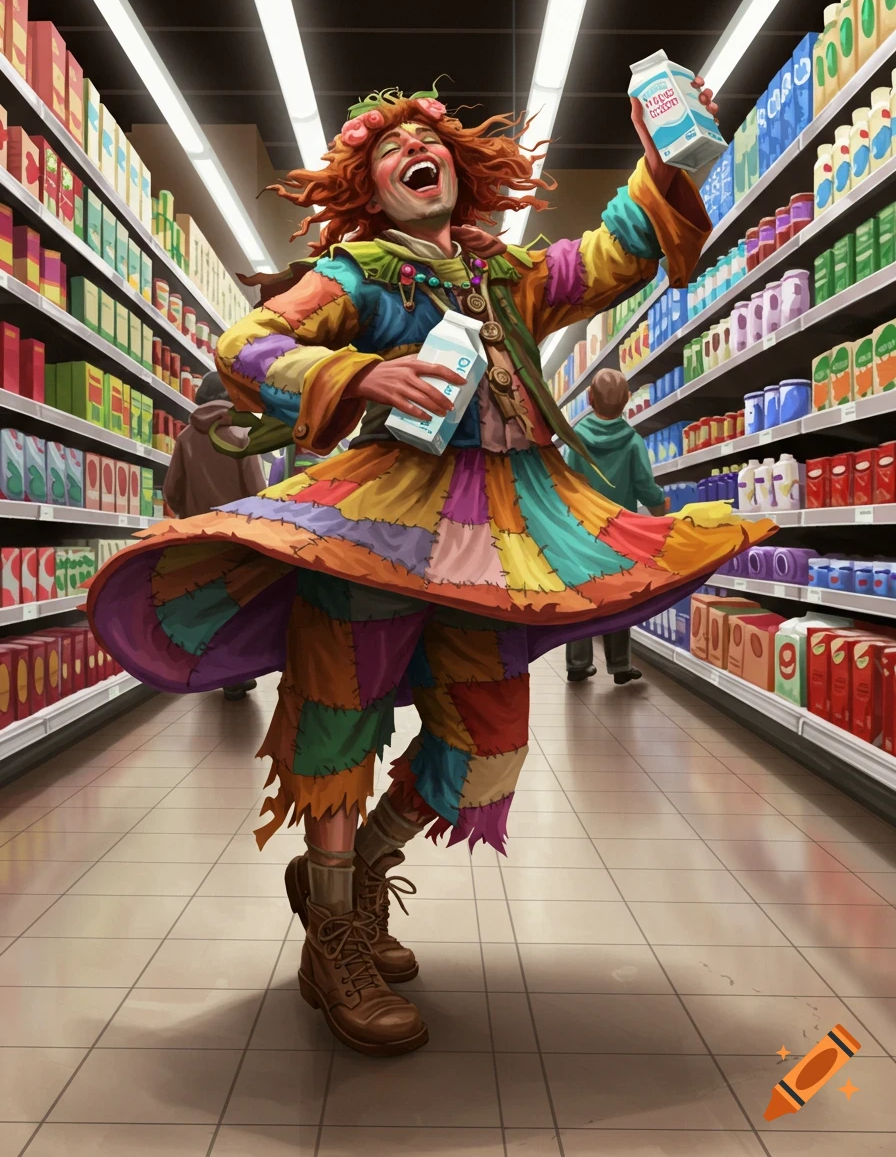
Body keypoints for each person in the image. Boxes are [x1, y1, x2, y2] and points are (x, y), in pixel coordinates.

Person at [87, 80, 774, 1057]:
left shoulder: (509, 273)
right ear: (371, 187)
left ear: (457, 169)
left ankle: (359, 873)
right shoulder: (358, 273)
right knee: (338, 719)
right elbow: (246, 346)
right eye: (389, 146)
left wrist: (659, 164)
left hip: (494, 532)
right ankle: (334, 940)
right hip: (377, 520)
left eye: (430, 140)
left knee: (491, 738)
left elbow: (610, 256)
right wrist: (355, 371)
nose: (417, 148)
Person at [162, 370, 265, 701]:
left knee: (207, 603)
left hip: (199, 537)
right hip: (238, 537)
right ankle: (237, 672)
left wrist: (188, 514)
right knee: (240, 601)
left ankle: (214, 670)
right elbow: (255, 491)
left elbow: (171, 491)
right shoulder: (241, 433)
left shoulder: (185, 438)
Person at [564, 367, 670, 685]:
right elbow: (645, 486)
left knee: (582, 595)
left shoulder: (576, 439)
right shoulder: (632, 441)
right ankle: (620, 665)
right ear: (626, 401)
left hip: (583, 530)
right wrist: (662, 513)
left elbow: (568, 484)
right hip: (620, 531)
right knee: (620, 594)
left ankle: (578, 663)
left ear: (589, 398)